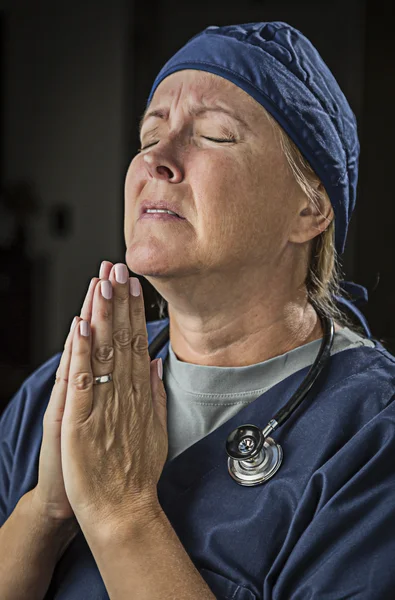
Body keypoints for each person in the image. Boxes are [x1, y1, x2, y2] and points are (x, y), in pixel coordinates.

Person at [0, 21, 394, 600]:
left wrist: (122, 513)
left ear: (309, 210)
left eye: (213, 135)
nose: (158, 158)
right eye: (148, 136)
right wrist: (46, 510)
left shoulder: (369, 440)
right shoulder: (57, 395)